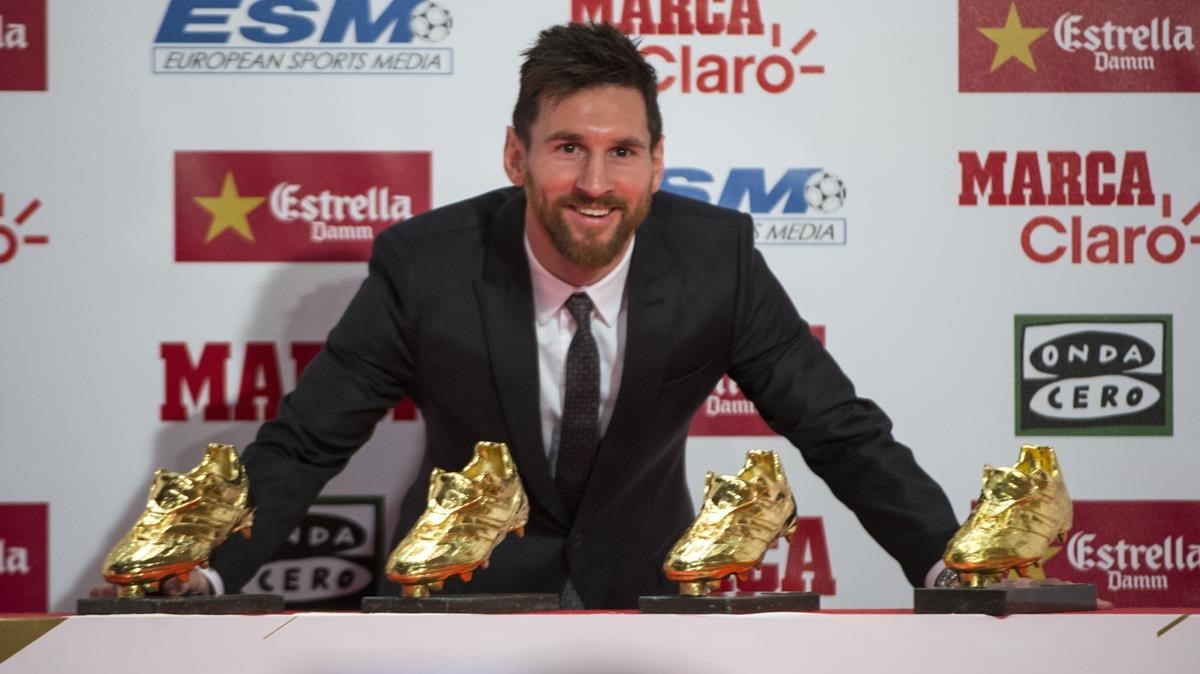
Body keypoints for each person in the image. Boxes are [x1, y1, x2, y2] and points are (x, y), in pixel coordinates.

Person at [101, 22, 959, 608]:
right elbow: (306, 441)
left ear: (658, 163)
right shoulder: (426, 267)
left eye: (622, 151)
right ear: (517, 154)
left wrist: (953, 566)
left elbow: (841, 432)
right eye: (567, 149)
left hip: (649, 603)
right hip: (456, 603)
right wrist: (200, 574)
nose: (595, 182)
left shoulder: (716, 260)